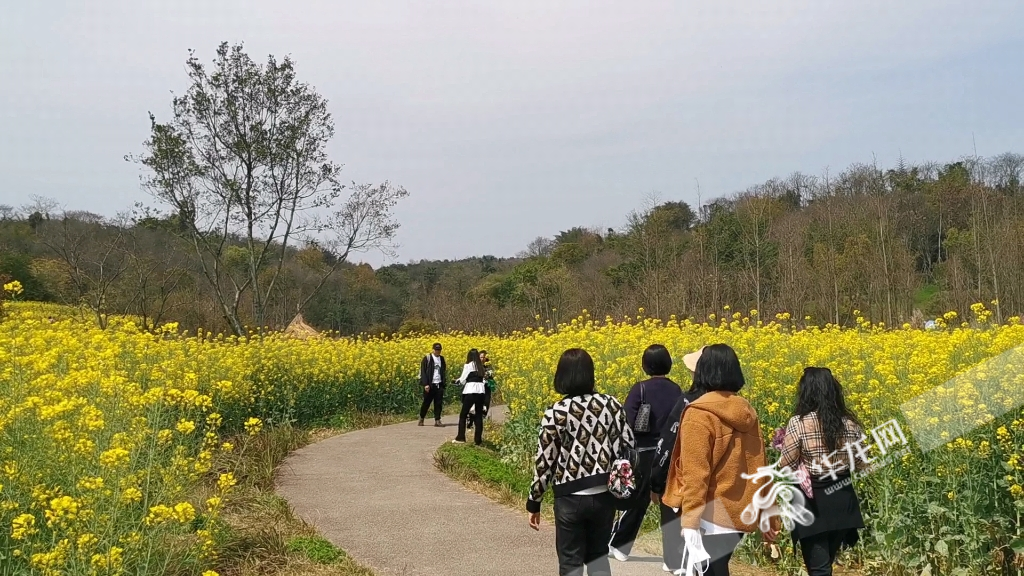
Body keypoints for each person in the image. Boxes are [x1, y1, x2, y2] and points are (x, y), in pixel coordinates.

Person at [662, 343, 777, 576]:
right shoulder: (747, 411)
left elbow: (696, 472)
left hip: (709, 515)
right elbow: (760, 465)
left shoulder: (699, 413)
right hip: (738, 513)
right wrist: (769, 517)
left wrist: (690, 520)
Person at [527, 348, 636, 576]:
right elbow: (629, 444)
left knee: (570, 564)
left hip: (569, 498)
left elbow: (544, 461)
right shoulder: (612, 404)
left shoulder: (556, 412)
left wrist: (534, 501)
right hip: (605, 495)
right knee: (598, 561)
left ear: (561, 376)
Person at [778, 367, 866, 576]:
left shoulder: (799, 423)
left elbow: (786, 464)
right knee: (824, 565)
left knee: (819, 570)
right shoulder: (849, 424)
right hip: (843, 501)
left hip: (813, 503)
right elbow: (862, 462)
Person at [608, 344, 685, 573]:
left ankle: (620, 546)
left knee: (637, 501)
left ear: (645, 365)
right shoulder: (676, 390)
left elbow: (626, 422)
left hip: (643, 453)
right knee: (668, 504)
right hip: (669, 454)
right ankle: (671, 560)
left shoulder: (639, 389)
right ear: (668, 364)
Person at [454, 349, 488, 445]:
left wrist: (457, 381)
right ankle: (478, 440)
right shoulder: (481, 366)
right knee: (478, 415)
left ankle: (460, 437)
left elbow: (463, 379)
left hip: (470, 391)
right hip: (481, 392)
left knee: (463, 414)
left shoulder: (468, 365)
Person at [418, 343, 446, 427]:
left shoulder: (442, 359)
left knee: (438, 403)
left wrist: (444, 382)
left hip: (439, 384)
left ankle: (437, 420)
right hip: (430, 385)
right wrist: (425, 384)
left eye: (439, 350)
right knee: (426, 403)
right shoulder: (427, 358)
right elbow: (423, 372)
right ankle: (421, 418)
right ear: (433, 349)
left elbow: (443, 370)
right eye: (436, 350)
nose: (438, 351)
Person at [468, 350, 495, 430]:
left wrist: (489, 376)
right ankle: (470, 423)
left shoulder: (489, 367)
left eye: (484, 357)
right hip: (477, 389)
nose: (483, 359)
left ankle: (480, 423)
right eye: (481, 357)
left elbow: (492, 378)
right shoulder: (475, 367)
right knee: (474, 407)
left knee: (485, 405)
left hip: (486, 388)